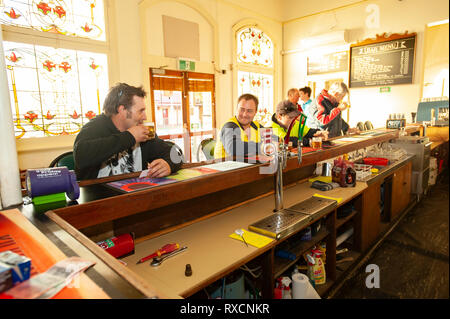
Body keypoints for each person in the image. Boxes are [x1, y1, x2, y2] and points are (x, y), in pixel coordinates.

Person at [73, 83, 182, 180]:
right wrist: (130, 137)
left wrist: (168, 164)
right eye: (141, 111)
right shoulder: (95, 127)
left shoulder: (143, 130)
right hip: (99, 199)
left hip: (136, 195)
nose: (145, 117)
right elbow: (81, 157)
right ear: (122, 110)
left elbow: (177, 154)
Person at [214, 93, 264, 159]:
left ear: (255, 112)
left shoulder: (256, 125)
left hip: (248, 166)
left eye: (249, 111)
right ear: (236, 109)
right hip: (227, 168)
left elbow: (273, 140)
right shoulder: (229, 126)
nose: (244, 114)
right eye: (242, 110)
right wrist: (262, 147)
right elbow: (234, 148)